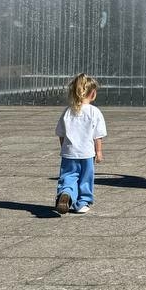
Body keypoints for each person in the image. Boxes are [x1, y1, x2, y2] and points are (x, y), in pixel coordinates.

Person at [54, 74, 106, 215]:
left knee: (68, 176)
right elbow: (98, 135)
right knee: (85, 178)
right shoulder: (94, 112)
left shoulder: (68, 111)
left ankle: (66, 193)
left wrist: (64, 148)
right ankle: (82, 203)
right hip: (87, 153)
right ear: (93, 93)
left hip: (69, 153)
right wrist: (99, 152)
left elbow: (61, 134)